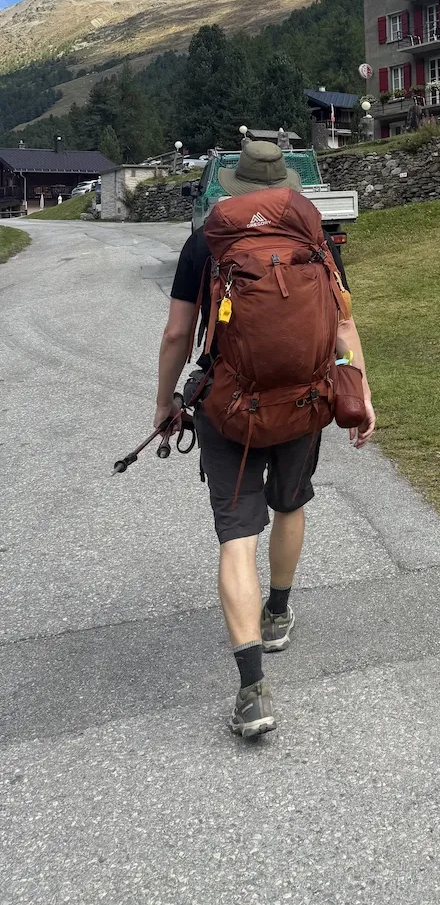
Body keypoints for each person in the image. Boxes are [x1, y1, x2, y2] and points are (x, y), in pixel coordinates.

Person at [154, 141, 375, 739]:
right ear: (285, 185)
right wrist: (362, 392)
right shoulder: (314, 236)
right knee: (290, 503)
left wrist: (165, 402)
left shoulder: (206, 241)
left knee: (236, 535)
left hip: (229, 407)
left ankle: (252, 691)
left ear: (234, 186)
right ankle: (277, 613)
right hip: (305, 401)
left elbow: (177, 334)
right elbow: (343, 323)